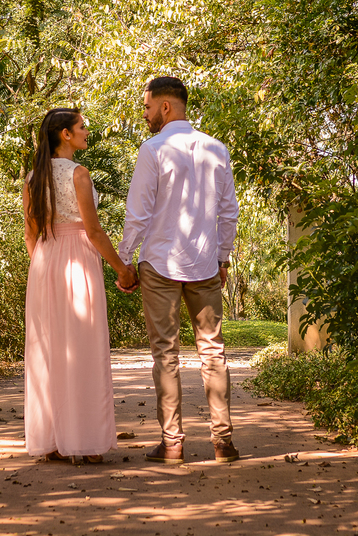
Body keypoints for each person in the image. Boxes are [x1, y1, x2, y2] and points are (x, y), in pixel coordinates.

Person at [118, 77, 241, 464]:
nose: (145, 113)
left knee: (165, 355)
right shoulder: (216, 149)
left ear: (165, 106)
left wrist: (124, 260)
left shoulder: (152, 149)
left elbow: (138, 214)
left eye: (147, 106)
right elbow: (228, 212)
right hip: (204, 264)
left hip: (159, 265)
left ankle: (172, 443)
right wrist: (222, 258)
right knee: (213, 353)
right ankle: (223, 442)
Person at [23, 108, 138, 464]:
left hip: (44, 262)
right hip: (77, 261)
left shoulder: (32, 177)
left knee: (50, 351)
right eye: (82, 127)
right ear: (65, 134)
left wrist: (42, 266)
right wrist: (122, 268)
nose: (87, 131)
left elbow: (30, 232)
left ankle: (55, 441)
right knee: (85, 348)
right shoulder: (79, 174)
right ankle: (86, 443)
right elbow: (94, 231)